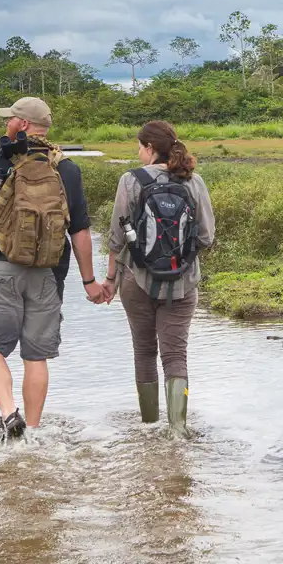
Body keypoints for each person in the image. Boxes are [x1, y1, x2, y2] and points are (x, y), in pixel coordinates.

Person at [0, 97, 104, 441]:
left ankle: (9, 413)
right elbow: (80, 230)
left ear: (22, 125)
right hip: (48, 275)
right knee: (36, 356)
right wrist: (89, 281)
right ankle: (33, 433)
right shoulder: (65, 167)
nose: (5, 123)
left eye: (10, 118)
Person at [101, 121, 215, 436]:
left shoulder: (130, 181)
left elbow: (116, 238)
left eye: (139, 146)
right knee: (175, 354)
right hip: (183, 283)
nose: (138, 152)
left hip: (135, 281)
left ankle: (149, 427)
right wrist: (178, 260)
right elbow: (206, 236)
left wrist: (110, 279)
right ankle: (178, 432)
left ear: (150, 149)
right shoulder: (195, 182)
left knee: (144, 349)